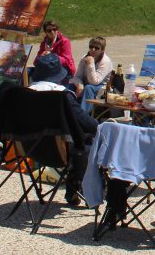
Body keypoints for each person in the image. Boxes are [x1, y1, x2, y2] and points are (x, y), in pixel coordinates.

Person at [30, 53, 99, 205]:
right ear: (58, 76)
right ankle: (78, 187)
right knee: (89, 142)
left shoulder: (25, 93)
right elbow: (86, 123)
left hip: (27, 148)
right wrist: (100, 126)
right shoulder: (62, 95)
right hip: (58, 152)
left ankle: (75, 187)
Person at [69, 36, 113, 113]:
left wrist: (91, 64)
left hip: (102, 87)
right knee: (70, 86)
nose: (93, 49)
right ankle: (68, 110)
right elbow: (77, 76)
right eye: (91, 47)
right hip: (86, 83)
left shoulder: (106, 62)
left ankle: (83, 115)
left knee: (89, 88)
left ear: (102, 50)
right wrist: (80, 84)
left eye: (96, 48)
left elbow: (95, 81)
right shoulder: (85, 58)